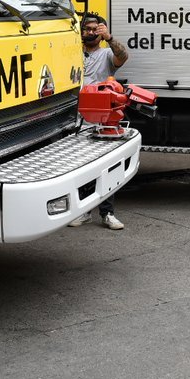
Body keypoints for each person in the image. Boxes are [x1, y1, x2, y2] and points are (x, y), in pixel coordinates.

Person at [69, 12, 130, 231]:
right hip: (77, 119)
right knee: (81, 167)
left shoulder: (106, 54)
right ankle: (84, 211)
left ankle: (108, 213)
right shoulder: (72, 53)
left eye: (96, 29)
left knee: (106, 167)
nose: (92, 33)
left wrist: (110, 38)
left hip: (102, 120)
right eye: (87, 29)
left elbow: (122, 57)